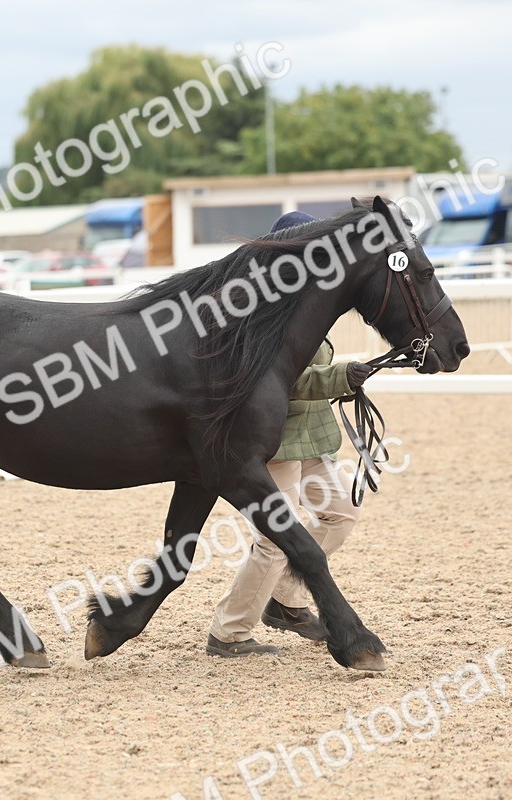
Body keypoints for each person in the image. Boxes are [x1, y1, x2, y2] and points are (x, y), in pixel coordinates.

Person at [205, 211, 373, 658]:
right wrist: (342, 376)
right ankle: (230, 631)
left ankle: (285, 599)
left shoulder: (307, 298)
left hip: (311, 435)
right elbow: (282, 380)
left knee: (341, 512)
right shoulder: (263, 310)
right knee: (276, 539)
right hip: (274, 439)